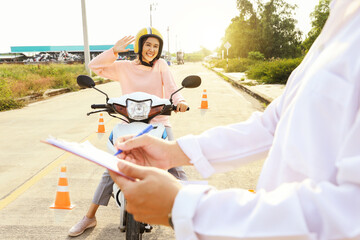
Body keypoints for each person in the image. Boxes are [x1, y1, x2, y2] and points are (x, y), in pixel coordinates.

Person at [109, 1, 360, 239]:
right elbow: (271, 124)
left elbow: (351, 214)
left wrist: (186, 208)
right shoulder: (341, 14)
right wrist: (172, 152)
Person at [68, 27, 189, 237]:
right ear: (139, 46)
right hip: (129, 122)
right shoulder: (124, 66)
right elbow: (94, 66)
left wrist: (180, 102)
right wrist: (113, 51)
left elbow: (171, 88)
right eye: (148, 44)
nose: (151, 49)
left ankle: (190, 212)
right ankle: (89, 216)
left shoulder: (160, 65)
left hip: (158, 121)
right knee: (112, 166)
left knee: (174, 164)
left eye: (155, 46)